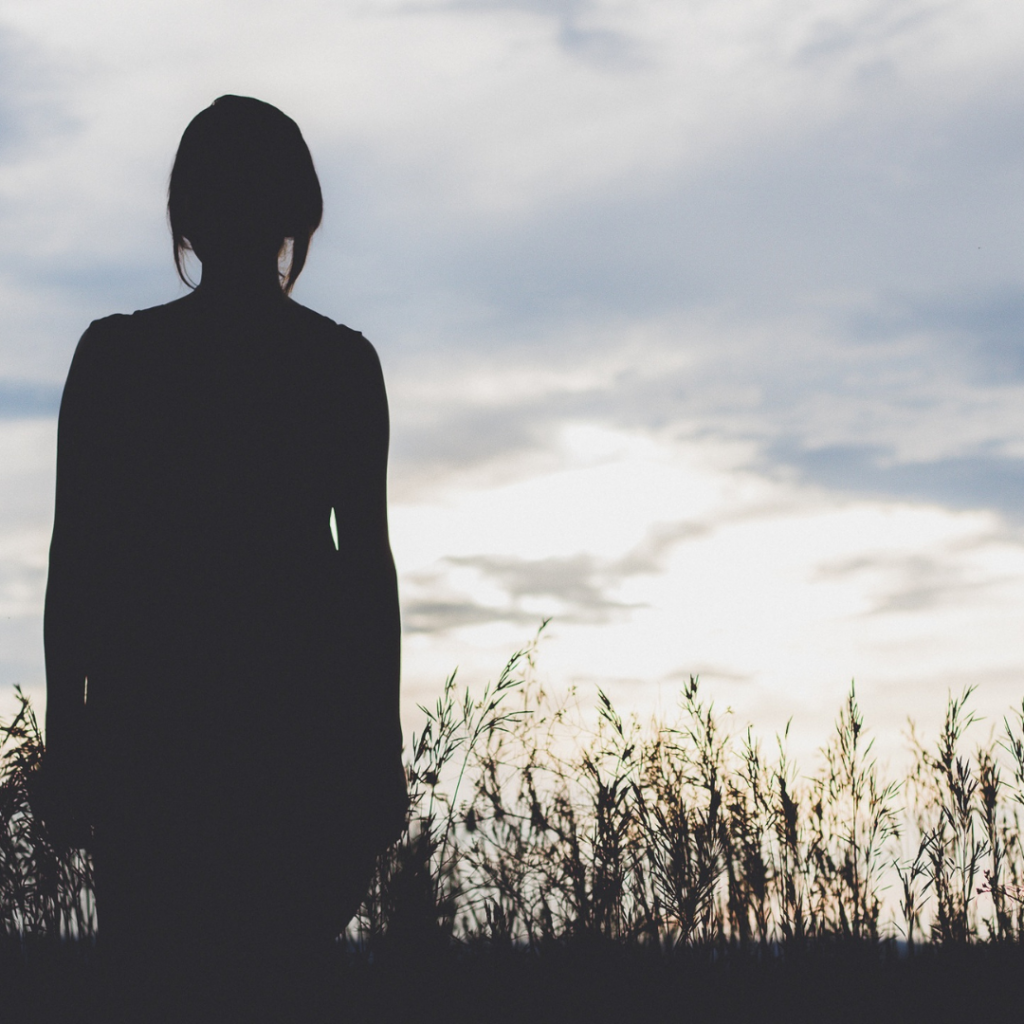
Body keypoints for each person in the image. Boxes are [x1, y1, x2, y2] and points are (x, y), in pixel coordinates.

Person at [40, 95, 407, 1022]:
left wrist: (69, 736)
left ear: (187, 215)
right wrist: (378, 745)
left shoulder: (115, 359)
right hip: (292, 736)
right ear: (298, 216)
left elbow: (75, 565)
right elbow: (366, 571)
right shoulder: (339, 367)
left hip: (155, 735)